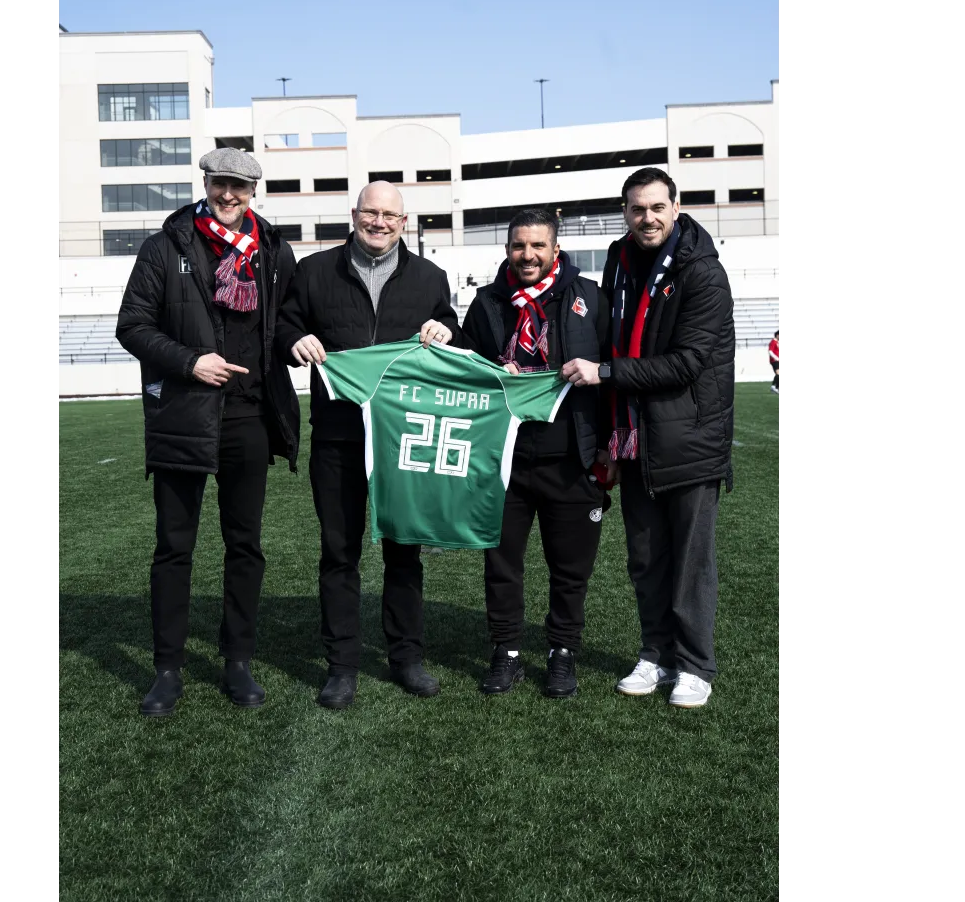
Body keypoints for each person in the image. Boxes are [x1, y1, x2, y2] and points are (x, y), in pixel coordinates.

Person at [115, 147, 301, 717]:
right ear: (205, 182)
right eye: (220, 183)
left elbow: (286, 323)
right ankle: (167, 668)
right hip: (183, 416)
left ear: (253, 192)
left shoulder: (274, 250)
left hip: (249, 417)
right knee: (175, 548)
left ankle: (237, 660)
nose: (228, 195)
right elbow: (132, 325)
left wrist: (298, 342)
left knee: (245, 545)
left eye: (239, 187)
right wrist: (190, 361)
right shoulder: (164, 246)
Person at [277, 181, 460, 709]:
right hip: (337, 437)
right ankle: (341, 665)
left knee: (405, 551)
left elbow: (453, 329)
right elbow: (285, 325)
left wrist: (446, 329)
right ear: (354, 214)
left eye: (389, 215)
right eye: (370, 213)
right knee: (339, 553)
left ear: (404, 222)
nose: (379, 222)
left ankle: (406, 657)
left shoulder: (429, 277)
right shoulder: (315, 271)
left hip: (404, 439)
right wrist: (294, 339)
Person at [560, 167, 734, 709]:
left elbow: (685, 363)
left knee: (689, 563)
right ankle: (656, 655)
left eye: (657, 207)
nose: (648, 218)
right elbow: (608, 334)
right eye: (637, 209)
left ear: (676, 208)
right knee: (645, 557)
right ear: (626, 213)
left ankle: (695, 666)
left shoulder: (704, 272)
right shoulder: (619, 257)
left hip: (690, 440)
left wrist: (606, 373)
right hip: (633, 435)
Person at [461, 208, 613, 697]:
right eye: (518, 245)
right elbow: (465, 372)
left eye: (537, 245)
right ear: (508, 248)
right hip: (503, 457)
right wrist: (492, 369)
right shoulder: (486, 302)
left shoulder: (590, 297)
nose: (527, 255)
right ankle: (506, 651)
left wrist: (608, 447)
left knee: (570, 568)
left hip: (572, 456)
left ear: (555, 248)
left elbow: (613, 372)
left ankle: (562, 652)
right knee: (501, 564)